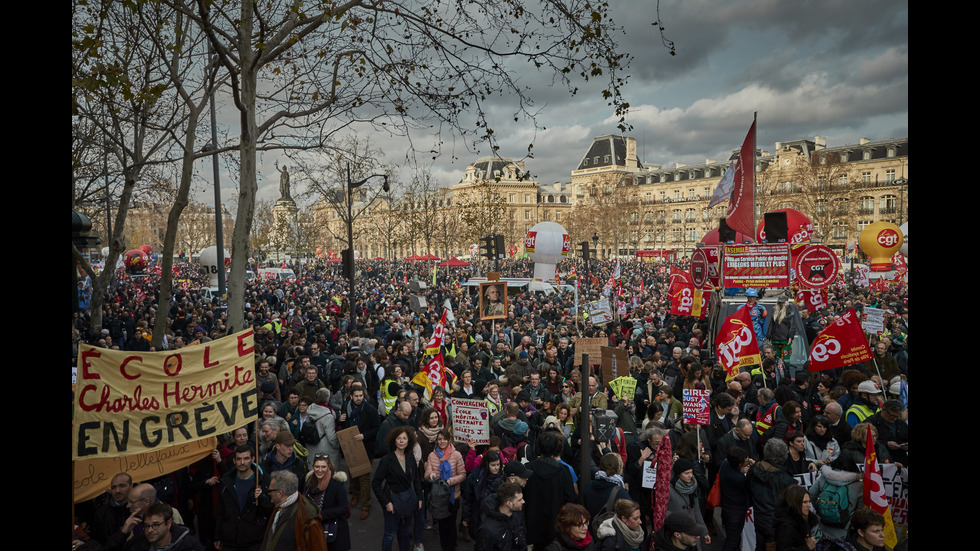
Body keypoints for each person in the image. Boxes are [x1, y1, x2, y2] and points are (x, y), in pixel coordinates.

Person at [372, 426, 423, 551]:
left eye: (404, 438)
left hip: (408, 500)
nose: (401, 441)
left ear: (409, 441)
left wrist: (419, 498)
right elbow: (376, 483)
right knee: (390, 534)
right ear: (394, 441)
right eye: (398, 438)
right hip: (392, 500)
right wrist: (386, 503)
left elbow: (416, 479)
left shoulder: (410, 457)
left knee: (405, 533)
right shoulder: (386, 460)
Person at [525, 431, 577, 549]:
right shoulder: (563, 470)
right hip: (556, 524)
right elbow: (571, 498)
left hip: (533, 523)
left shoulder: (528, 468)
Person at [215, 445, 271, 551]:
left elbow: (269, 511)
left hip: (253, 542)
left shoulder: (263, 481)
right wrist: (217, 535)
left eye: (246, 458)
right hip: (229, 542)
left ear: (253, 459)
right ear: (234, 461)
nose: (242, 463)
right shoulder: (227, 481)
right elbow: (221, 511)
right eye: (239, 459)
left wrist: (262, 498)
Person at [747, 439, 798, 551]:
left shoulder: (754, 469)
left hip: (759, 519)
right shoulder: (786, 479)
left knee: (759, 546)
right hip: (776, 524)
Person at [339, 385, 380, 520]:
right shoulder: (346, 407)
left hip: (365, 447)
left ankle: (366, 505)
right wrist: (341, 421)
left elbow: (376, 429)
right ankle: (355, 494)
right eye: (356, 396)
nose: (358, 398)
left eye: (361, 396)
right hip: (350, 446)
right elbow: (344, 425)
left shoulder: (370, 410)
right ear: (351, 396)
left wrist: (364, 435)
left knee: (364, 477)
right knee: (352, 473)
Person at [424, 429, 467, 551]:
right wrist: (431, 475)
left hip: (454, 495)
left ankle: (451, 546)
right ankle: (444, 546)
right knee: (442, 524)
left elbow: (462, 474)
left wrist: (450, 481)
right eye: (439, 439)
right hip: (438, 497)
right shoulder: (432, 455)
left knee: (451, 523)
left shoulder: (456, 455)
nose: (442, 442)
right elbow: (427, 473)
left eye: (444, 439)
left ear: (449, 440)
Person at [260, 470, 322, 551]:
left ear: (280, 493)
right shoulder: (279, 507)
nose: (268, 493)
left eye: (270, 490)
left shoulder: (306, 516)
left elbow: (317, 546)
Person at [107, 502, 204, 551]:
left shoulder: (189, 545)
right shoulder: (138, 544)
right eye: (146, 526)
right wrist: (123, 532)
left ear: (168, 523)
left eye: (155, 525)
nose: (149, 530)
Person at [808, 455, 863, 541]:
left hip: (822, 527)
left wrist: (822, 510)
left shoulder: (824, 477)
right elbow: (861, 511)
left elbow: (811, 494)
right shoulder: (858, 485)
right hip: (844, 530)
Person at [304, 453, 350, 551]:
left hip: (334, 534)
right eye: (317, 466)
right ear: (313, 467)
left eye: (323, 467)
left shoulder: (336, 483)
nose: (320, 470)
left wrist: (320, 514)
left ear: (328, 467)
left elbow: (344, 508)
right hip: (315, 530)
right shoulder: (310, 481)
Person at [666, 458, 710, 548]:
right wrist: (678, 518)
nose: (690, 476)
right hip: (677, 533)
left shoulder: (693, 486)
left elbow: (697, 511)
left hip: (692, 532)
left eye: (691, 472)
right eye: (686, 473)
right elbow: (662, 512)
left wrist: (704, 532)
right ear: (678, 474)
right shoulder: (669, 490)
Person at [476, 481, 527, 551]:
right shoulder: (487, 530)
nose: (523, 501)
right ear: (509, 503)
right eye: (520, 500)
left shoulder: (517, 514)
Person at [718, 447, 751, 551]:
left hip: (728, 507)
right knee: (732, 540)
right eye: (745, 462)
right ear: (739, 464)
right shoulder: (739, 479)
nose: (748, 462)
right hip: (736, 511)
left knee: (734, 538)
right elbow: (749, 487)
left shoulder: (725, 463)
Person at [92, 473, 133, 545]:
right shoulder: (101, 512)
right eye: (113, 487)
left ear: (131, 486)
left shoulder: (138, 509)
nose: (117, 490)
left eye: (122, 486)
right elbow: (96, 541)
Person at [773, 485, 817, 551]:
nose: (809, 505)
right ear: (794, 503)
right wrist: (807, 547)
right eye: (805, 502)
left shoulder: (807, 519)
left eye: (809, 501)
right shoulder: (785, 527)